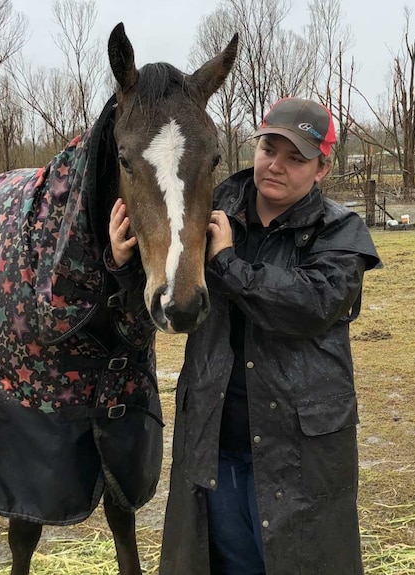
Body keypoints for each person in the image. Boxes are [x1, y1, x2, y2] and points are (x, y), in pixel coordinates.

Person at [146, 97, 381, 574]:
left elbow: (310, 304)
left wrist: (227, 263)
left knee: (300, 562)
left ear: (321, 169)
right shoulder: (208, 211)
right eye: (269, 149)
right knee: (225, 561)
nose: (276, 165)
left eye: (296, 158)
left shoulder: (340, 232)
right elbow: (164, 281)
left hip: (299, 452)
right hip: (218, 442)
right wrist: (120, 255)